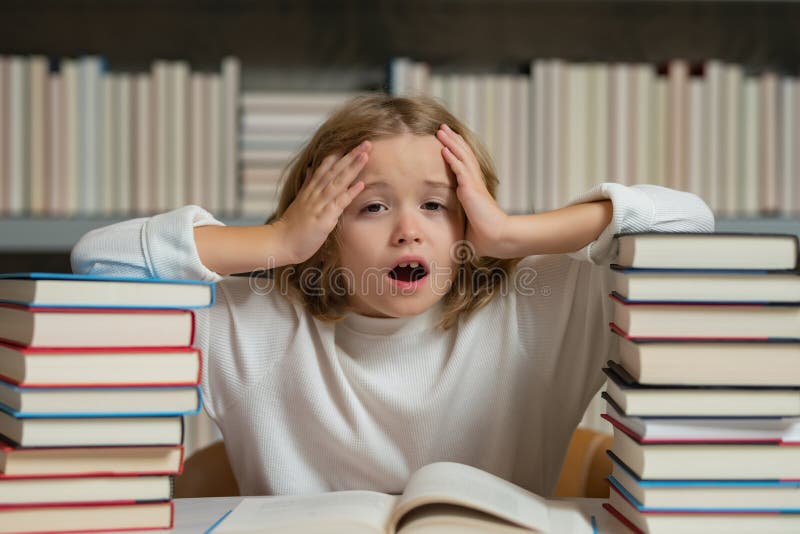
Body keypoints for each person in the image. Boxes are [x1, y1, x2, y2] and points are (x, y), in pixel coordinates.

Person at [71, 94, 714, 497]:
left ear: (470, 219)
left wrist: (514, 232)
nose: (409, 228)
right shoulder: (252, 319)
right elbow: (100, 260)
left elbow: (690, 222)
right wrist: (279, 240)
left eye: (437, 205)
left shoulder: (537, 305)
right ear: (323, 231)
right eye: (372, 206)